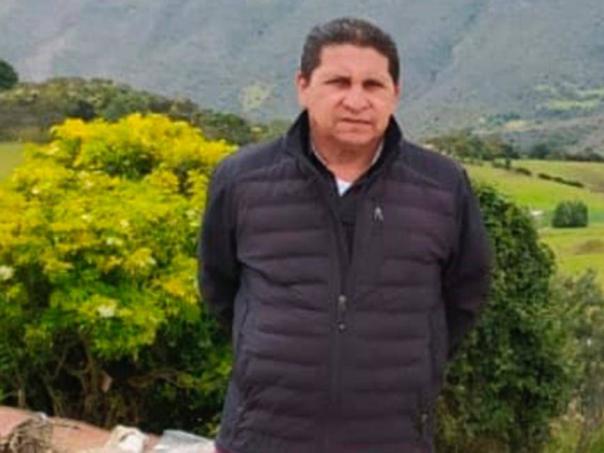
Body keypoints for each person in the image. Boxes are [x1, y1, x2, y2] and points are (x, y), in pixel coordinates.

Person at [198, 17, 493, 453]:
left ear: (395, 93)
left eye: (373, 85)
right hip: (262, 434)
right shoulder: (242, 179)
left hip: (391, 437)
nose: (356, 101)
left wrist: (411, 360)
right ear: (303, 86)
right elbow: (219, 286)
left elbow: (465, 294)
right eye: (338, 82)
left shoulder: (442, 186)